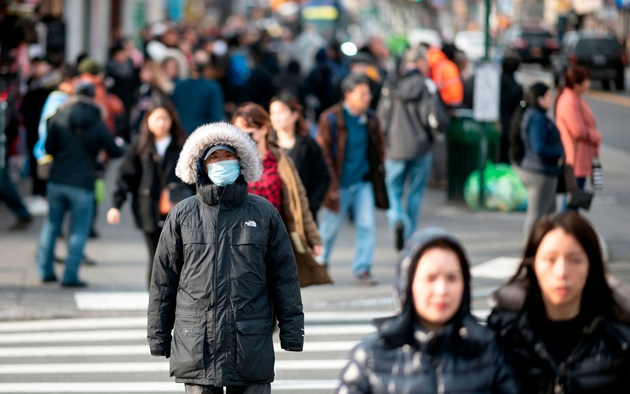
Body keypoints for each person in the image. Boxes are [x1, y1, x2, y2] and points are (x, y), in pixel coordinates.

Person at [147, 122, 304, 393]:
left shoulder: (263, 213)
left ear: (241, 161)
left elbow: (284, 277)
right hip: (197, 341)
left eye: (228, 156)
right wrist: (158, 336)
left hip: (249, 341)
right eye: (214, 158)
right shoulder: (183, 214)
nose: (222, 163)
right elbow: (164, 280)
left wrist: (292, 331)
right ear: (201, 166)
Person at [337, 228, 519, 393]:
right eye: (430, 278)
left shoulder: (487, 351)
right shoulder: (371, 355)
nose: (442, 290)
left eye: (452, 278)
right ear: (408, 285)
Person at [488, 212, 630, 393]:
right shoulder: (504, 331)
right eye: (550, 260)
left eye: (575, 260)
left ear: (591, 266)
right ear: (533, 264)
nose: (562, 272)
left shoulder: (619, 335)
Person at [231, 103, 332, 287]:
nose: (242, 138)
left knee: (278, 290)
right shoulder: (231, 162)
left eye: (248, 132)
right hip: (241, 239)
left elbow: (299, 202)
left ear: (263, 129)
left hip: (275, 237)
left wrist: (313, 239)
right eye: (237, 133)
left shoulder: (280, 159)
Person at [36, 82, 124, 286]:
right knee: (79, 229)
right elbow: (115, 151)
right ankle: (70, 275)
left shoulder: (60, 116)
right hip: (83, 182)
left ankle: (44, 270)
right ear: (93, 97)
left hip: (57, 180)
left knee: (51, 226)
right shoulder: (97, 121)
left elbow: (48, 147)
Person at [107, 98, 190, 286]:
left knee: (179, 257)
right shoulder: (141, 147)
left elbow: (194, 178)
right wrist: (115, 205)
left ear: (172, 120)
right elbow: (126, 178)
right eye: (157, 119)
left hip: (178, 210)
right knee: (156, 257)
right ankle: (156, 305)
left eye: (165, 119)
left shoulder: (183, 145)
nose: (161, 124)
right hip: (148, 210)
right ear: (148, 120)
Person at [316, 74, 388, 286]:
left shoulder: (371, 119)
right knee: (329, 227)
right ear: (348, 95)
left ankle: (362, 268)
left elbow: (378, 150)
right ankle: (320, 263)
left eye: (368, 94)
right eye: (362, 94)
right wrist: (331, 185)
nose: (367, 98)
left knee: (367, 225)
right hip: (339, 183)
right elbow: (324, 155)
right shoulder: (330, 119)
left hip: (363, 181)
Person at [378, 46, 435, 251]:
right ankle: (409, 235)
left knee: (393, 189)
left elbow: (381, 117)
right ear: (419, 62)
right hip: (420, 147)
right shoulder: (426, 85)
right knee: (415, 193)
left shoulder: (391, 84)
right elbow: (433, 116)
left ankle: (397, 219)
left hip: (394, 147)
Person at [510, 83, 564, 242]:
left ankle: (541, 246)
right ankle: (531, 250)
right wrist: (558, 154)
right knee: (538, 216)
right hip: (540, 172)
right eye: (548, 96)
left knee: (548, 213)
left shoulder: (531, 114)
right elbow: (539, 147)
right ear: (539, 99)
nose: (551, 99)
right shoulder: (537, 118)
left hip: (536, 169)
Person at [269, 93, 331, 223]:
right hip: (272, 213)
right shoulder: (267, 146)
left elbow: (324, 176)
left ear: (295, 115)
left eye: (280, 112)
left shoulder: (308, 145)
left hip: (301, 215)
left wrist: (312, 204)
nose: (275, 118)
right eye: (272, 113)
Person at [555, 66, 602, 209]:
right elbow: (577, 130)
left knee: (574, 200)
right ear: (576, 84)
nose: (588, 84)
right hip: (574, 158)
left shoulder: (575, 99)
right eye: (586, 81)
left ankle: (571, 229)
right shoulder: (569, 101)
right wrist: (597, 136)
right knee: (571, 201)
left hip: (580, 156)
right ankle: (566, 229)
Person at [170, 58, 225, 134]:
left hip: (180, 133)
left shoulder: (178, 85)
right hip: (204, 134)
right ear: (207, 68)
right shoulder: (213, 87)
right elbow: (216, 115)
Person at [499, 55, 524, 164]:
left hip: (494, 123)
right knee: (505, 156)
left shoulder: (495, 83)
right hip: (508, 125)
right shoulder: (517, 88)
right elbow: (519, 108)